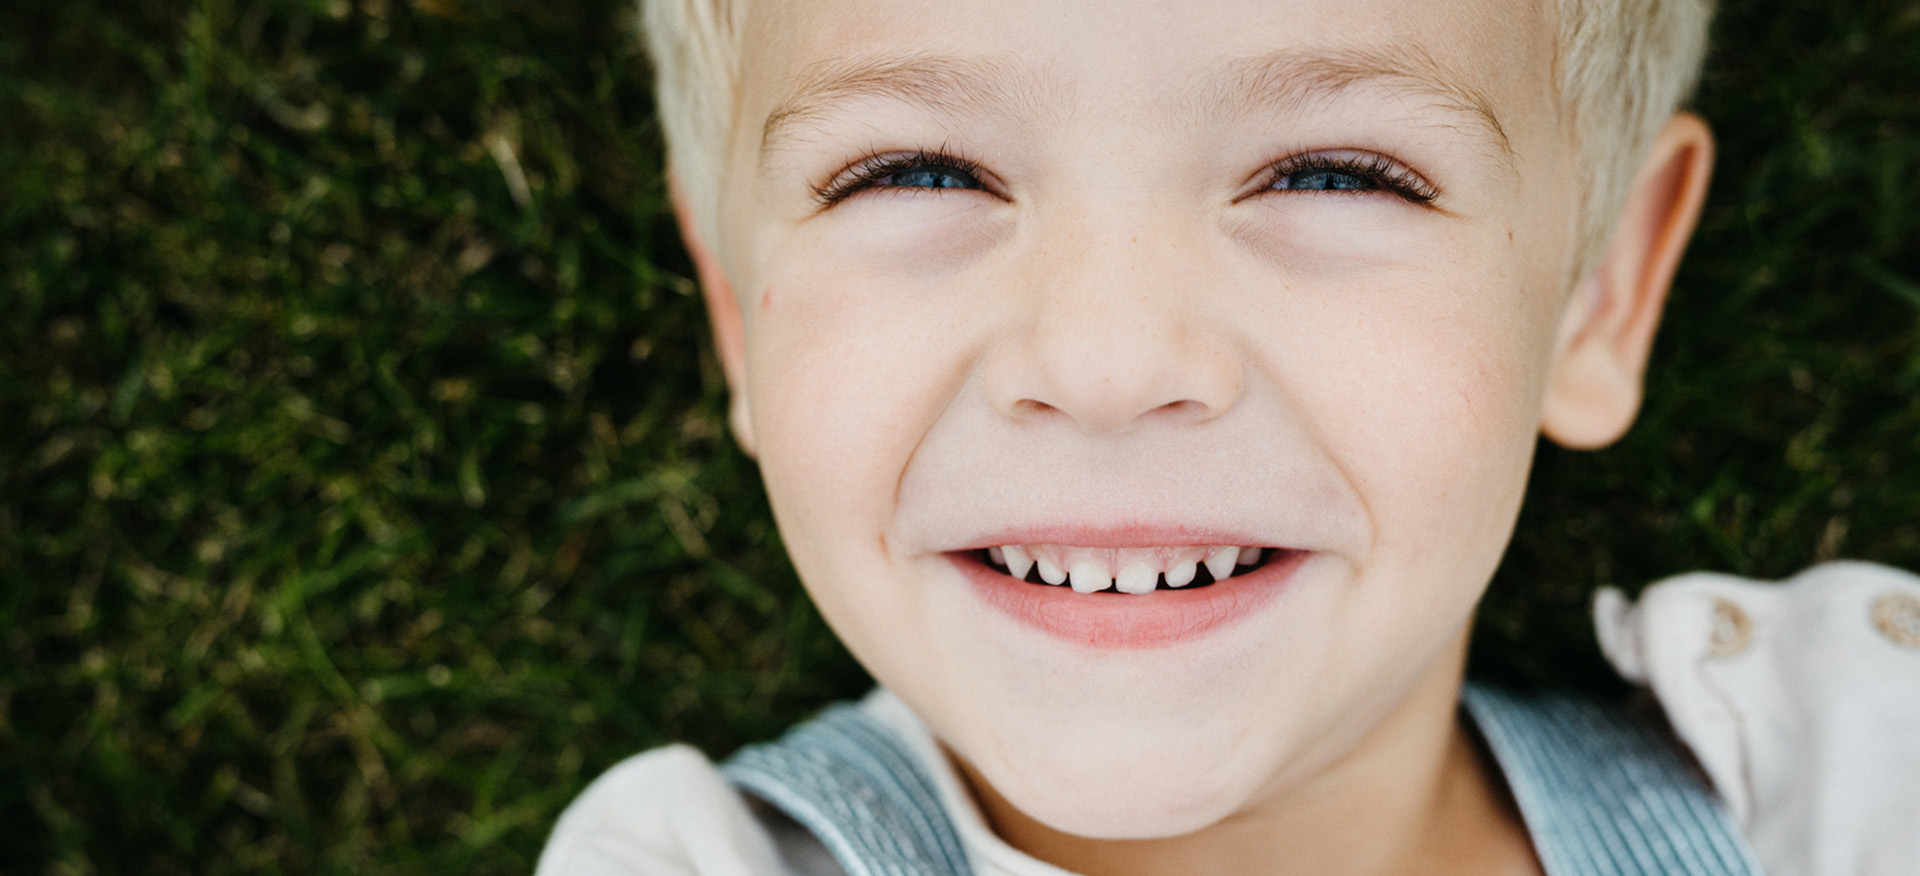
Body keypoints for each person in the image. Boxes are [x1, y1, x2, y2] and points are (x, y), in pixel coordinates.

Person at [537, 0, 1920, 873]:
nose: (1108, 364)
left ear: (1597, 290)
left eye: (1334, 174)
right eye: (916, 171)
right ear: (737, 307)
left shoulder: (1853, 775)